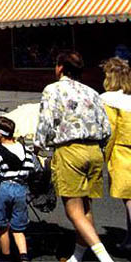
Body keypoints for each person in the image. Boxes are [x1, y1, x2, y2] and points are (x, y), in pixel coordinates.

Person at [34, 51, 114, 262]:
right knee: (86, 208)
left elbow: (45, 123)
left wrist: (37, 146)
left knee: (74, 212)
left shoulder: (53, 90)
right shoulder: (92, 92)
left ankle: (104, 258)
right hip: (94, 151)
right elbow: (106, 128)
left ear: (60, 67)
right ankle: (77, 257)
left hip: (70, 151)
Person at [0, 116, 37, 262]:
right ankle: (23, 256)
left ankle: (5, 257)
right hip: (20, 190)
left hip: (3, 189)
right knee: (18, 229)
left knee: (2, 228)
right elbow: (32, 169)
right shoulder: (26, 151)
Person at [100, 57, 131, 253]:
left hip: (122, 154)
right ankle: (129, 239)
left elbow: (108, 132)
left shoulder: (107, 100)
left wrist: (103, 155)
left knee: (129, 199)